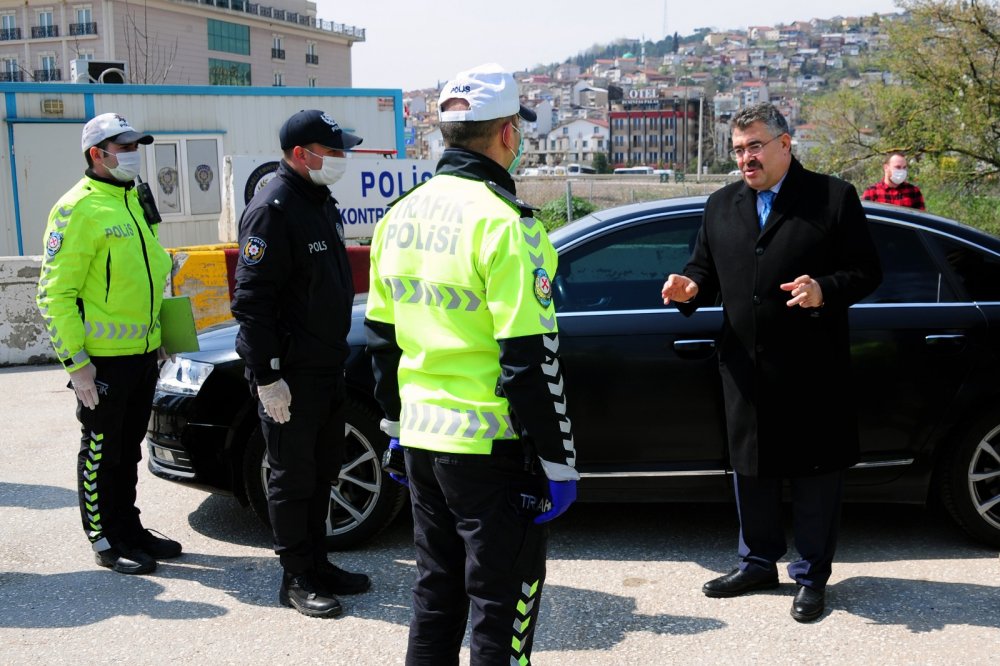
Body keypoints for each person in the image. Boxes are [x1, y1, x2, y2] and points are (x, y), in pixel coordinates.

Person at [364, 63, 578, 664]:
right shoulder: (509, 225)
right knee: (501, 607)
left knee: (435, 597)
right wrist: (558, 460)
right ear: (508, 134)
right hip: (490, 448)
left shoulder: (399, 216)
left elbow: (382, 341)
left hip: (422, 441)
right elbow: (530, 359)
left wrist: (395, 428)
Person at [661, 102, 882, 623]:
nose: (746, 158)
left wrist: (823, 289)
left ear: (785, 144)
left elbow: (867, 271)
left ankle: (811, 577)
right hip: (745, 369)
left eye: (755, 146)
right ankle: (758, 563)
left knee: (814, 475)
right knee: (751, 471)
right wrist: (689, 288)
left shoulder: (832, 197)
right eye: (738, 149)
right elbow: (704, 270)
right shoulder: (721, 204)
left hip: (812, 370)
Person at [231, 109, 371, 619]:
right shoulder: (273, 209)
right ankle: (295, 577)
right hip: (290, 375)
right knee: (292, 479)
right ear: (300, 154)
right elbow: (252, 302)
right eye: (332, 151)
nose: (340, 158)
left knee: (323, 471)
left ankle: (318, 563)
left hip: (326, 366)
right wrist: (268, 377)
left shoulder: (320, 200)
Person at [36, 112, 181, 575]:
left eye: (137, 145)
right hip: (102, 362)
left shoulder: (134, 198)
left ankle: (129, 529)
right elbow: (54, 294)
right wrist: (76, 365)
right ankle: (103, 539)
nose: (134, 154)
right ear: (98, 154)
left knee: (129, 448)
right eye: (125, 147)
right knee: (101, 450)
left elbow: (150, 273)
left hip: (143, 353)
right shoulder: (76, 208)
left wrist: (164, 332)